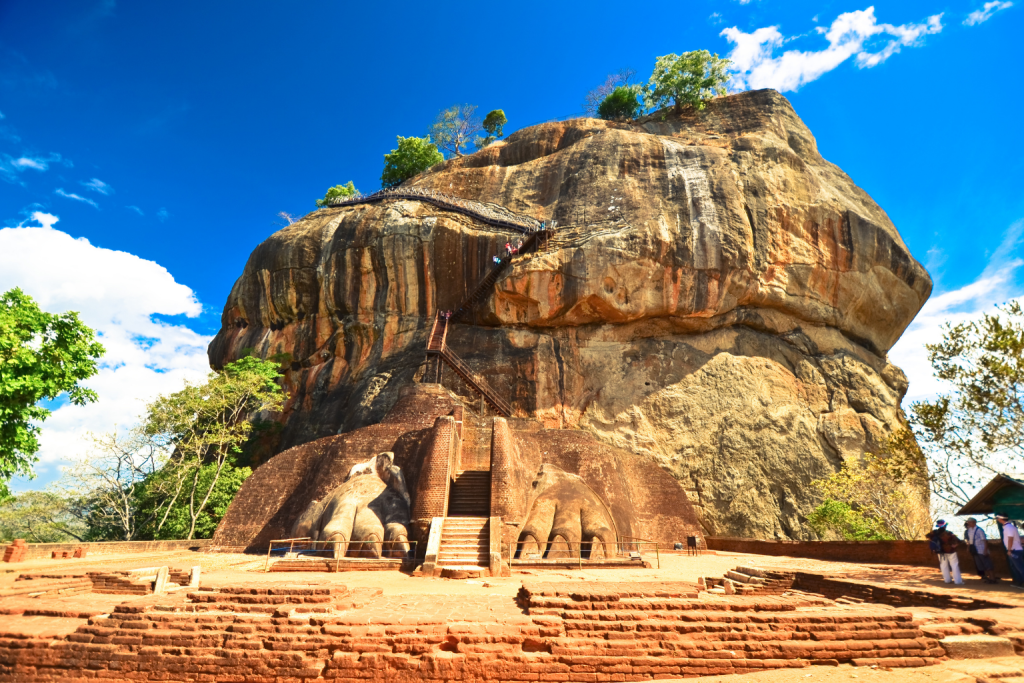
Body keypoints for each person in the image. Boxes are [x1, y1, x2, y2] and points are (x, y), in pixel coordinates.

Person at [926, 520, 963, 585]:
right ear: (945, 525)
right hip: (950, 551)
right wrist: (954, 545)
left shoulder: (934, 532)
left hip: (940, 551)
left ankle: (947, 580)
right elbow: (958, 541)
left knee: (943, 565)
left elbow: (927, 536)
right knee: (954, 565)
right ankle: (957, 581)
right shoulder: (948, 533)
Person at [964, 518, 997, 583]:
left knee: (987, 564)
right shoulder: (969, 531)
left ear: (973, 522)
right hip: (975, 550)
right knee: (982, 564)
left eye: (969, 522)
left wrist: (985, 550)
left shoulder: (979, 530)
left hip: (981, 549)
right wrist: (968, 548)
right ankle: (989, 578)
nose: (968, 524)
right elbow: (970, 541)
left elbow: (985, 540)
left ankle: (993, 578)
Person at [996, 513, 1024, 587]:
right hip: (1014, 549)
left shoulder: (1008, 527)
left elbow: (1010, 539)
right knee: (1015, 567)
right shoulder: (1008, 527)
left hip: (1015, 550)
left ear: (1001, 519)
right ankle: (1019, 581)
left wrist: (1009, 550)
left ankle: (1020, 581)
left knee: (1020, 567)